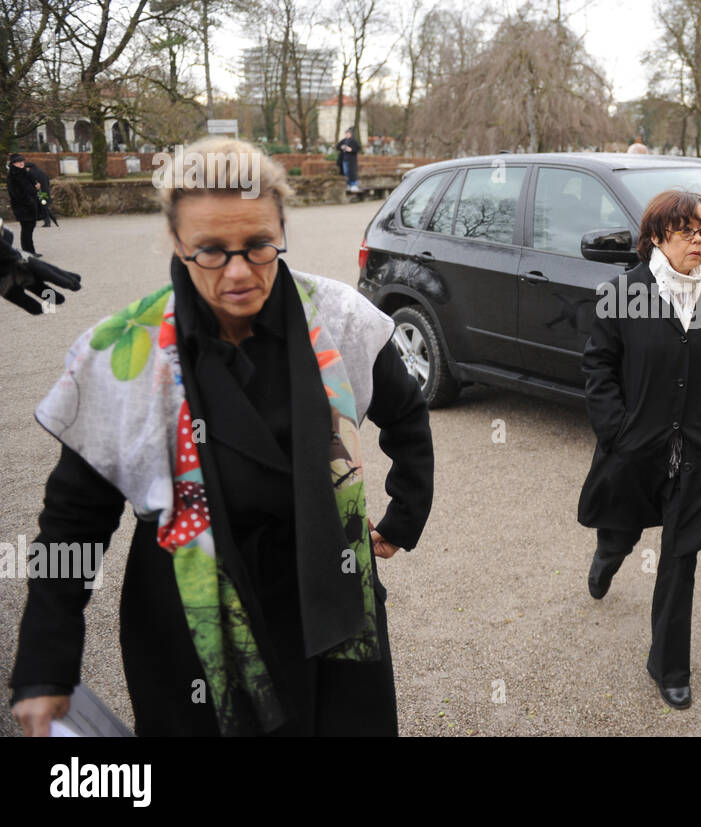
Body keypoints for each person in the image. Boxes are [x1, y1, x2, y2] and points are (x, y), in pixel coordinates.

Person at [9, 137, 434, 736]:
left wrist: (404, 515)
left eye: (258, 246)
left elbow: (407, 413)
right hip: (188, 625)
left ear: (281, 228)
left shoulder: (340, 319)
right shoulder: (125, 353)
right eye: (210, 250)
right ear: (177, 244)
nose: (238, 272)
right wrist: (45, 664)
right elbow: (73, 520)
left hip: (332, 610)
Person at [578, 189, 701, 709]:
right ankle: (608, 556)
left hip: (696, 452)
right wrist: (617, 432)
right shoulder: (624, 293)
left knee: (681, 556)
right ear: (656, 236)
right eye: (687, 230)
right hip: (636, 448)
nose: (698, 241)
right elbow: (598, 367)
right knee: (620, 530)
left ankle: (669, 665)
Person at [6, 154, 50, 255]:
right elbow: (17, 193)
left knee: (29, 228)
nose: (21, 163)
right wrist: (30, 199)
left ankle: (30, 251)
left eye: (22, 161)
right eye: (18, 162)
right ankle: (28, 252)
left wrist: (36, 187)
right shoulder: (13, 175)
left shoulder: (25, 173)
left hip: (29, 205)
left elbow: (31, 187)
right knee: (26, 229)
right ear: (13, 164)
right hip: (23, 206)